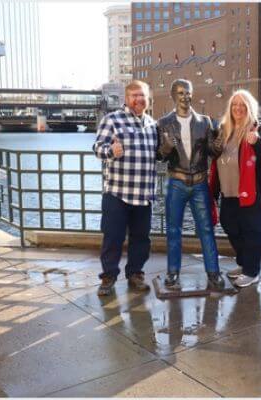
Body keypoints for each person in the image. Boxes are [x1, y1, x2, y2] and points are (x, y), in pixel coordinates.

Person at [209, 89, 261, 287]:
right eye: (235, 105)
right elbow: (216, 157)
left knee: (252, 230)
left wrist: (257, 143)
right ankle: (245, 263)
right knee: (229, 224)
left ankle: (252, 271)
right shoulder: (225, 130)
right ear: (230, 108)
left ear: (249, 108)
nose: (238, 108)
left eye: (243, 105)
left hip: (255, 191)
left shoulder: (258, 130)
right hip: (230, 190)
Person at [157, 79, 225, 290]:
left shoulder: (204, 122)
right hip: (176, 182)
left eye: (187, 92)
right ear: (173, 95)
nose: (185, 97)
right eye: (180, 93)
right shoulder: (164, 123)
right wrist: (167, 148)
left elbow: (212, 153)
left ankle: (213, 273)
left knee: (206, 229)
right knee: (173, 230)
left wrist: (218, 146)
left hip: (199, 183)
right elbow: (159, 156)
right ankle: (173, 273)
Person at [92, 80, 158, 296]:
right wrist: (111, 151)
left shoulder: (151, 124)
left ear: (148, 98)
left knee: (141, 238)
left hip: (143, 194)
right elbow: (97, 148)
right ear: (127, 99)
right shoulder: (112, 120)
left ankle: (135, 274)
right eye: (135, 95)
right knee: (113, 237)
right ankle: (109, 276)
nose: (139, 99)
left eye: (143, 95)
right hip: (117, 193)